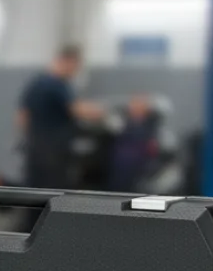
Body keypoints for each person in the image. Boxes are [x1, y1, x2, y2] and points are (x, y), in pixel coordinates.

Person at [17, 45, 103, 189]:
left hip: (36, 147)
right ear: (68, 62)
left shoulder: (36, 83)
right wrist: (98, 111)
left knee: (34, 189)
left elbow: (22, 116)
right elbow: (76, 109)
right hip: (54, 150)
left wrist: (31, 138)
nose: (75, 71)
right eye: (76, 67)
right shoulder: (58, 85)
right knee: (54, 190)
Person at [107, 94, 161, 193]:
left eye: (140, 105)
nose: (137, 108)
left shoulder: (151, 124)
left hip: (141, 164)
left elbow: (153, 147)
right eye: (135, 104)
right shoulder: (120, 122)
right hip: (120, 163)